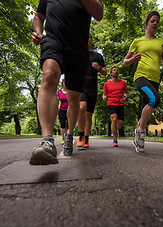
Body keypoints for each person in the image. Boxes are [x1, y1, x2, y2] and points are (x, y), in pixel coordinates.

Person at [30, 0, 103, 165]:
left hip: (78, 49)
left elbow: (99, 14)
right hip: (53, 40)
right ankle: (47, 141)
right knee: (49, 75)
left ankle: (69, 135)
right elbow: (39, 16)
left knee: (74, 99)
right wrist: (38, 32)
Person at [123, 10, 163, 153]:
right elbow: (125, 62)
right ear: (146, 24)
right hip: (140, 78)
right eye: (152, 21)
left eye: (157, 21)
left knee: (147, 109)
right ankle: (140, 131)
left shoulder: (162, 42)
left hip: (154, 80)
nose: (155, 23)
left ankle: (138, 141)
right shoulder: (137, 41)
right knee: (154, 99)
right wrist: (132, 60)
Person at [77, 33, 107, 148]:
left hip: (92, 86)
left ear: (91, 40)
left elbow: (105, 73)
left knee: (89, 115)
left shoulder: (97, 56)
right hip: (81, 85)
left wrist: (99, 68)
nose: (86, 39)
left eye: (88, 37)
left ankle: (86, 138)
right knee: (81, 107)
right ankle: (80, 135)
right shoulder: (79, 54)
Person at [103, 66, 129, 147]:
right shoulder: (107, 84)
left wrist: (125, 98)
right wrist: (104, 97)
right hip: (111, 103)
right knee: (114, 119)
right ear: (111, 73)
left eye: (117, 70)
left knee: (120, 123)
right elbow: (104, 94)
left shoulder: (123, 83)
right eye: (114, 70)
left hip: (120, 104)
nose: (116, 71)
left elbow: (127, 92)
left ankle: (114, 130)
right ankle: (115, 139)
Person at [57, 79, 68, 145]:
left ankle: (69, 138)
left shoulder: (70, 92)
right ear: (62, 84)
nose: (65, 84)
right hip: (61, 110)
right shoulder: (59, 93)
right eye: (63, 83)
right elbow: (57, 102)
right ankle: (63, 139)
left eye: (66, 83)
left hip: (69, 110)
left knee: (69, 125)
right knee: (62, 124)